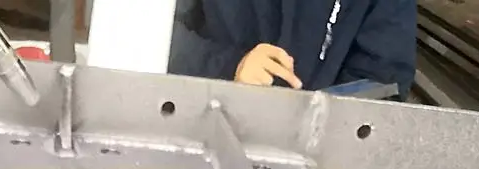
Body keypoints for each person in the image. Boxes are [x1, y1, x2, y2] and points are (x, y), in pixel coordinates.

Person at [168, 0, 416, 98]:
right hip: (202, 128)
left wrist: (319, 121)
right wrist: (230, 67)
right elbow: (157, 31)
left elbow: (384, 79)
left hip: (314, 163)